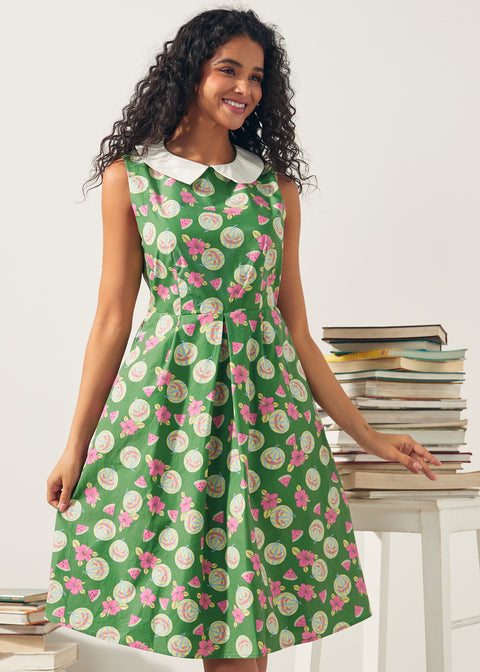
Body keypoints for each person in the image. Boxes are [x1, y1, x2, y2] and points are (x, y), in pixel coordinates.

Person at [45, 7, 442, 671]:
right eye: (229, 69)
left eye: (257, 76)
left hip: (266, 420)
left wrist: (367, 435)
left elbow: (296, 332)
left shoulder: (274, 190)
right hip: (172, 415)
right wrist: (75, 444)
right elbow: (113, 319)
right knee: (207, 618)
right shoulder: (132, 179)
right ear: (189, 72)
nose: (245, 88)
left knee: (247, 627)